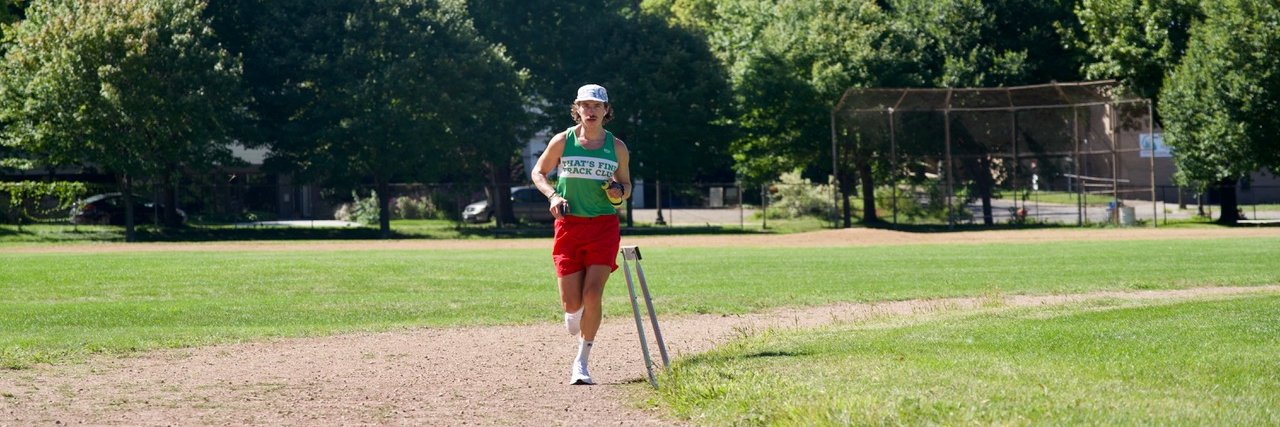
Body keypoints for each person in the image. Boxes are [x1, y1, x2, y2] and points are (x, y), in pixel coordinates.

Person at [531, 84, 631, 385]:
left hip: (603, 227)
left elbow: (626, 186)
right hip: (569, 226)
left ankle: (582, 362)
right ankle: (574, 313)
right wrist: (553, 196)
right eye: (585, 105)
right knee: (572, 305)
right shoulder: (563, 141)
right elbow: (538, 172)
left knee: (593, 293)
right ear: (577, 109)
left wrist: (619, 191)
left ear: (606, 110)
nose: (591, 110)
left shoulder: (617, 147)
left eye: (597, 105)